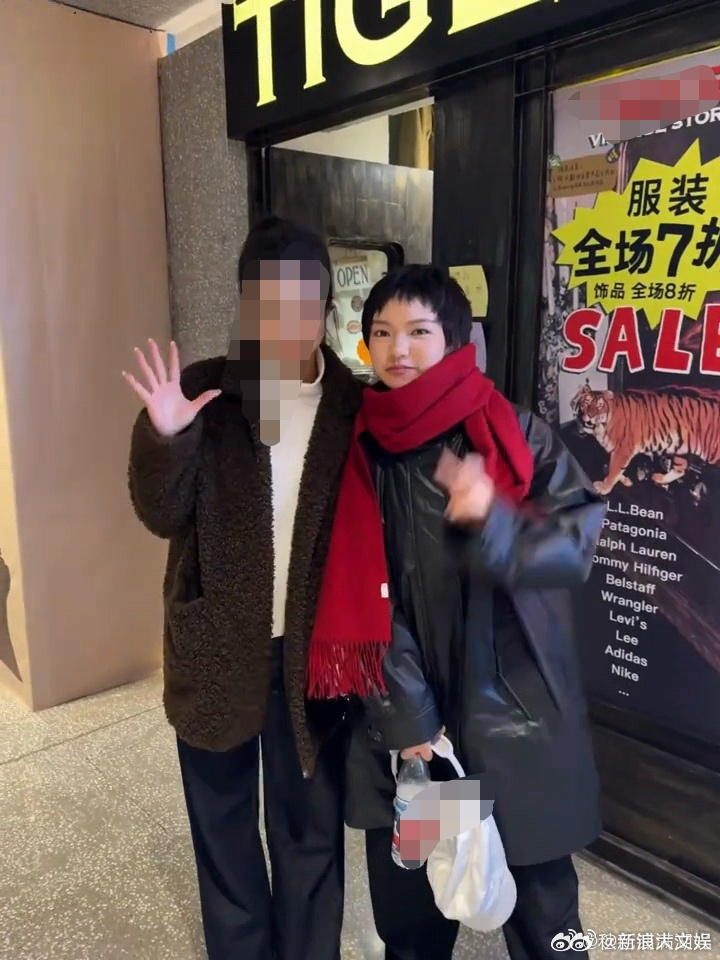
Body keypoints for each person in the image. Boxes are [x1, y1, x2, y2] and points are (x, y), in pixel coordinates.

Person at [336, 265, 607, 960]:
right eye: (382, 332)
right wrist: (411, 722)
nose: (398, 348)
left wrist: (493, 522)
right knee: (414, 922)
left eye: (418, 331)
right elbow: (356, 594)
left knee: (546, 920)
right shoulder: (358, 449)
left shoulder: (513, 430)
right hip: (419, 737)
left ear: (455, 340)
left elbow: (574, 547)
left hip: (514, 722)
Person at [124, 216, 364, 960]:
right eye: (266, 304)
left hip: (312, 660)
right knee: (224, 832)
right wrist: (167, 438)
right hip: (217, 650)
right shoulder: (206, 392)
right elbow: (160, 514)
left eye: (301, 303)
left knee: (309, 831)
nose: (284, 323)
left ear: (325, 305)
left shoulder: (350, 404)